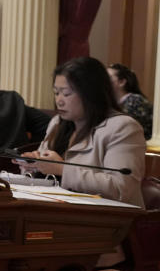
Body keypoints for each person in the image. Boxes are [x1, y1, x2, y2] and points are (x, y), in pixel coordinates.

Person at [21, 57, 145, 208]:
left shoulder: (123, 128)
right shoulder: (57, 123)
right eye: (56, 93)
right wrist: (33, 165)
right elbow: (46, 171)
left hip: (106, 220)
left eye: (66, 94)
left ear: (91, 93)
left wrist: (61, 169)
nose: (59, 100)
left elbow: (121, 188)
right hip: (56, 210)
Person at [108, 63, 153, 139]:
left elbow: (125, 129)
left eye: (108, 77)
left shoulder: (135, 100)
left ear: (122, 82)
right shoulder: (113, 102)